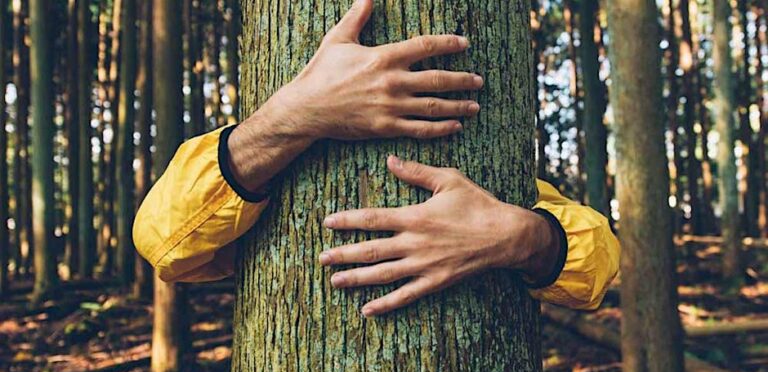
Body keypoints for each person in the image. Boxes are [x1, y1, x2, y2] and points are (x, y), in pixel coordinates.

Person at [133, 0, 619, 317]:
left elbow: (598, 261)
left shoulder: (491, 166)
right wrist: (294, 116)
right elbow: (161, 240)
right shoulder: (264, 159)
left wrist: (519, 236)